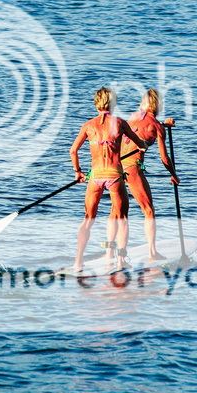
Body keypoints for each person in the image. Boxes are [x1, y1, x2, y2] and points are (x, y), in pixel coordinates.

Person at [69, 87, 147, 273]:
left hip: (95, 176)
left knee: (88, 219)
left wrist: (78, 172)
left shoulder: (88, 126)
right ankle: (120, 260)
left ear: (96, 104)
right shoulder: (120, 123)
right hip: (114, 176)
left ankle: (78, 262)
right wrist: (143, 146)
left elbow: (73, 151)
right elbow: (139, 143)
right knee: (122, 218)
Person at [119, 88, 180, 261]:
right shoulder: (157, 127)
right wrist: (174, 174)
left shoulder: (133, 118)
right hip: (132, 168)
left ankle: (115, 254)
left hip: (116, 166)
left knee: (119, 211)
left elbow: (142, 129)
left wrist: (163, 125)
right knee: (148, 211)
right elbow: (164, 158)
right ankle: (152, 253)